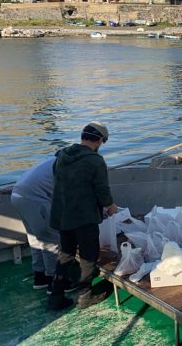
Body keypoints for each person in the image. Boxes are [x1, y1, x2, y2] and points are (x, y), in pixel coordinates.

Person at [47, 122, 118, 311]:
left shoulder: (62, 155)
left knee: (66, 253)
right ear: (100, 140)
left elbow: (59, 179)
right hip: (84, 218)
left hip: (63, 215)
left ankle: (56, 297)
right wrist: (110, 206)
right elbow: (102, 189)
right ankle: (85, 296)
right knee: (88, 256)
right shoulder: (95, 160)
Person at [10, 158, 58, 290]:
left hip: (17, 196)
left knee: (35, 239)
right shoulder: (66, 166)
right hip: (34, 199)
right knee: (51, 240)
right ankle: (54, 282)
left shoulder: (50, 162)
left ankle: (40, 277)